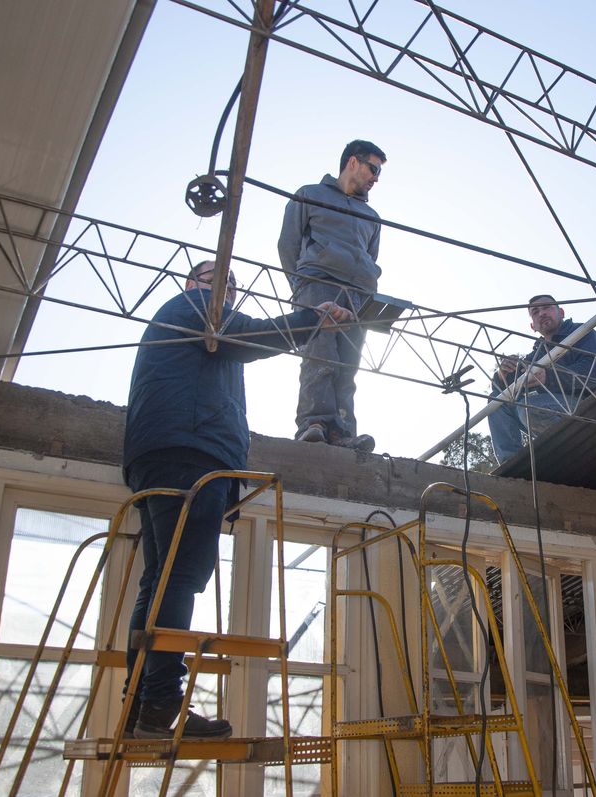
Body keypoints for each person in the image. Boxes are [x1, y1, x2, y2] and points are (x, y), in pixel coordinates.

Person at [122, 260, 352, 739]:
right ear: (193, 284)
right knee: (179, 576)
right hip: (190, 451)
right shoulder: (195, 306)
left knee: (159, 579)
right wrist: (312, 319)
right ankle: (160, 704)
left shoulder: (192, 328)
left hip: (165, 451)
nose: (225, 290)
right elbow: (250, 336)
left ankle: (140, 705)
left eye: (231, 285)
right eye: (217, 280)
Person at [278, 139, 386, 452]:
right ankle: (313, 423)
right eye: (373, 169)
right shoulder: (310, 194)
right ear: (352, 162)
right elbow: (287, 244)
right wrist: (301, 286)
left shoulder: (372, 216)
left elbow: (370, 257)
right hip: (318, 283)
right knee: (320, 354)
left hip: (358, 296)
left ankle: (342, 432)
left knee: (348, 366)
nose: (376, 178)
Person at [488, 295, 596, 463]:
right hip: (556, 408)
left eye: (546, 307)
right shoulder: (537, 355)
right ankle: (510, 463)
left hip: (592, 406)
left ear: (561, 312)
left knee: (528, 408)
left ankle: (571, 450)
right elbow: (503, 389)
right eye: (535, 312)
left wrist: (548, 377)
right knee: (497, 401)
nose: (541, 313)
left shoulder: (583, 333)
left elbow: (594, 373)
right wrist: (502, 374)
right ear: (533, 326)